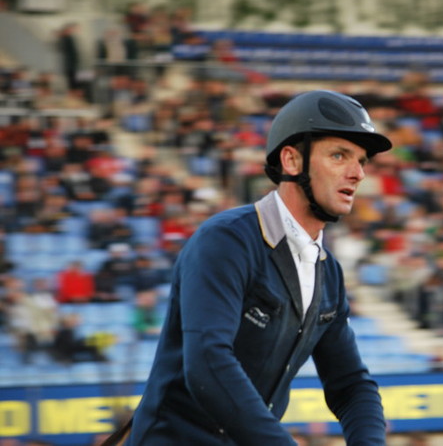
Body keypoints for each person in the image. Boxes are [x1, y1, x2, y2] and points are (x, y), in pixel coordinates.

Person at [114, 90, 390, 445]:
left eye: (362, 161)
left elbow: (351, 385)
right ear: (291, 161)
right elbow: (208, 364)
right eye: (339, 156)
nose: (357, 173)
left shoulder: (328, 272)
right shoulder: (225, 240)